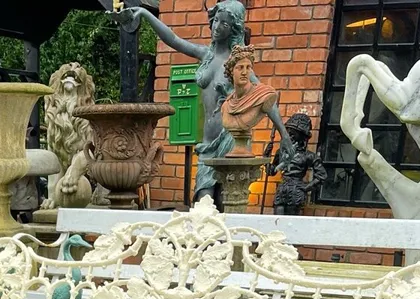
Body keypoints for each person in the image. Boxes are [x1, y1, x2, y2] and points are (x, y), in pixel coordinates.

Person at [114, 0, 291, 202]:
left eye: (224, 24)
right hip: (208, 141)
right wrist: (145, 14)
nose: (217, 27)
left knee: (226, 200)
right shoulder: (205, 54)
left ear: (233, 29)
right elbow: (172, 39)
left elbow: (267, 98)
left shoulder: (238, 63)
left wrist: (284, 135)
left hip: (230, 139)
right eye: (215, 21)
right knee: (203, 199)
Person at [266, 112, 329, 215]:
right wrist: (266, 156)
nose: (289, 136)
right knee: (277, 220)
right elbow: (271, 172)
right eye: (288, 133)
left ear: (302, 136)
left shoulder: (308, 156)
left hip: (296, 191)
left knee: (292, 221)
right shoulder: (281, 152)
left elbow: (322, 176)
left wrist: (306, 188)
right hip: (282, 189)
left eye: (293, 133)